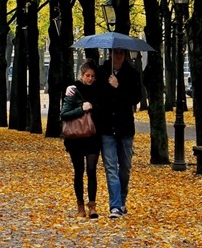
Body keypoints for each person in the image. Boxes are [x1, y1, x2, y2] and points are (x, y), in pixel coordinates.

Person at [89, 48, 143, 218]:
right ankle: (115, 206)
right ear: (111, 53)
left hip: (125, 128)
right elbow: (92, 91)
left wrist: (118, 86)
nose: (118, 55)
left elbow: (136, 98)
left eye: (121, 52)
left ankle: (122, 200)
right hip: (106, 128)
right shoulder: (102, 72)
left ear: (125, 54)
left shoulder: (132, 73)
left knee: (125, 167)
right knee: (110, 167)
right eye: (115, 52)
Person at [60, 63, 101, 218]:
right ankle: (80, 207)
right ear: (81, 75)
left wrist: (93, 106)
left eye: (92, 76)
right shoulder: (74, 90)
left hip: (93, 137)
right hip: (76, 138)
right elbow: (64, 114)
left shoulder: (98, 91)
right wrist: (81, 109)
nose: (89, 79)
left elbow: (103, 110)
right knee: (79, 171)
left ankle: (92, 206)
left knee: (91, 170)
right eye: (87, 75)